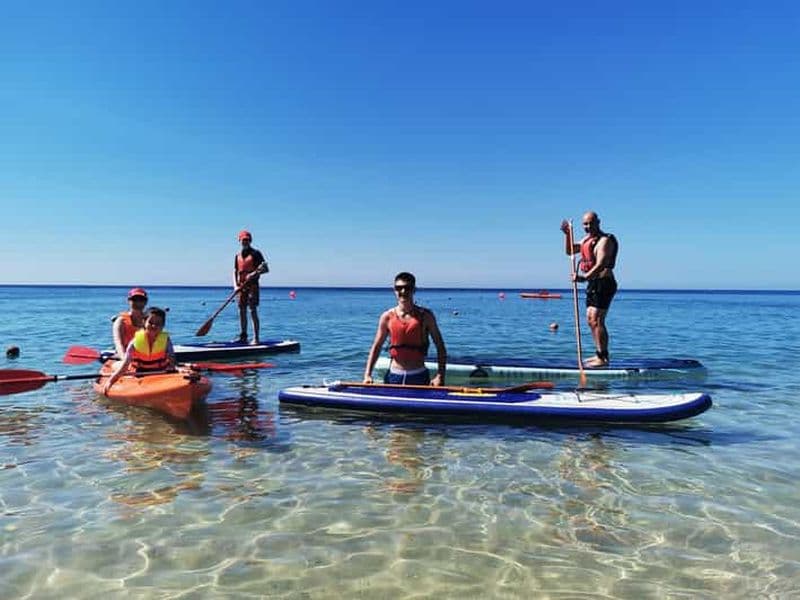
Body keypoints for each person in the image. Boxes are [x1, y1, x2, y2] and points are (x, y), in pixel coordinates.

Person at [363, 272, 447, 386]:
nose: (403, 291)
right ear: (394, 290)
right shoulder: (387, 317)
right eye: (399, 288)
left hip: (419, 376)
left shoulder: (426, 316)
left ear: (414, 290)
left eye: (407, 288)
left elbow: (440, 346)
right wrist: (367, 374)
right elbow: (376, 347)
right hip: (394, 376)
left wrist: (440, 375)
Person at [560, 211, 619, 367]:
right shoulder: (587, 240)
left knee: (598, 319)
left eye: (591, 223)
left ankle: (603, 357)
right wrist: (567, 234)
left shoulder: (604, 241)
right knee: (591, 320)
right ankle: (599, 354)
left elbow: (600, 264)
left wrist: (583, 278)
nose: (588, 226)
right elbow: (570, 251)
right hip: (593, 284)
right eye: (585, 224)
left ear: (598, 222)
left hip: (604, 283)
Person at [102, 307, 176, 394]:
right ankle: (112, 365)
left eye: (158, 323)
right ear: (144, 322)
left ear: (163, 325)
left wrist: (175, 369)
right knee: (118, 365)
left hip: (160, 372)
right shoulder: (135, 342)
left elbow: (171, 358)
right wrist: (111, 381)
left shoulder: (166, 340)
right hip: (139, 373)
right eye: (151, 322)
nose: (154, 326)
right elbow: (125, 364)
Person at [233, 230, 269, 345]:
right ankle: (243, 336)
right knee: (241, 311)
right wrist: (235, 286)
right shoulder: (237, 256)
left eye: (247, 240)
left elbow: (265, 269)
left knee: (252, 310)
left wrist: (254, 274)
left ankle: (256, 338)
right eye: (243, 240)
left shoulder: (256, 253)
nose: (245, 242)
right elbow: (235, 271)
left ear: (250, 240)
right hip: (241, 287)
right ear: (240, 240)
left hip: (252, 286)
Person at [112, 287, 148, 358]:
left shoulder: (149, 320)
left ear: (145, 302)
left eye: (141, 300)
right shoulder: (121, 321)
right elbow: (119, 344)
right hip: (125, 356)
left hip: (144, 357)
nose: (138, 302)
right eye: (134, 300)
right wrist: (125, 360)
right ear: (129, 301)